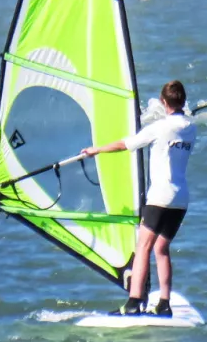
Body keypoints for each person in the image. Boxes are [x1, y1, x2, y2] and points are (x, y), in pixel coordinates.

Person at [81, 80, 195, 317]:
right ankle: (164, 303)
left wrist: (96, 150)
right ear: (183, 101)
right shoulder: (190, 127)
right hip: (180, 198)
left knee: (143, 247)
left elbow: (125, 144)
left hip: (159, 197)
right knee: (161, 248)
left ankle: (133, 302)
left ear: (164, 102)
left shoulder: (160, 128)